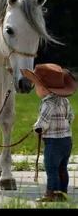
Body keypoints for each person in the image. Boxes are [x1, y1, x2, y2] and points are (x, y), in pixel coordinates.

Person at [21, 63, 77, 203]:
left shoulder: (48, 104)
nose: (35, 89)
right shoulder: (64, 101)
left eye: (37, 86)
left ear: (45, 88)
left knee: (51, 168)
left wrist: (36, 129)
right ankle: (62, 193)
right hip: (66, 141)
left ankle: (51, 193)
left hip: (53, 142)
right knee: (62, 168)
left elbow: (42, 124)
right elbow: (71, 116)